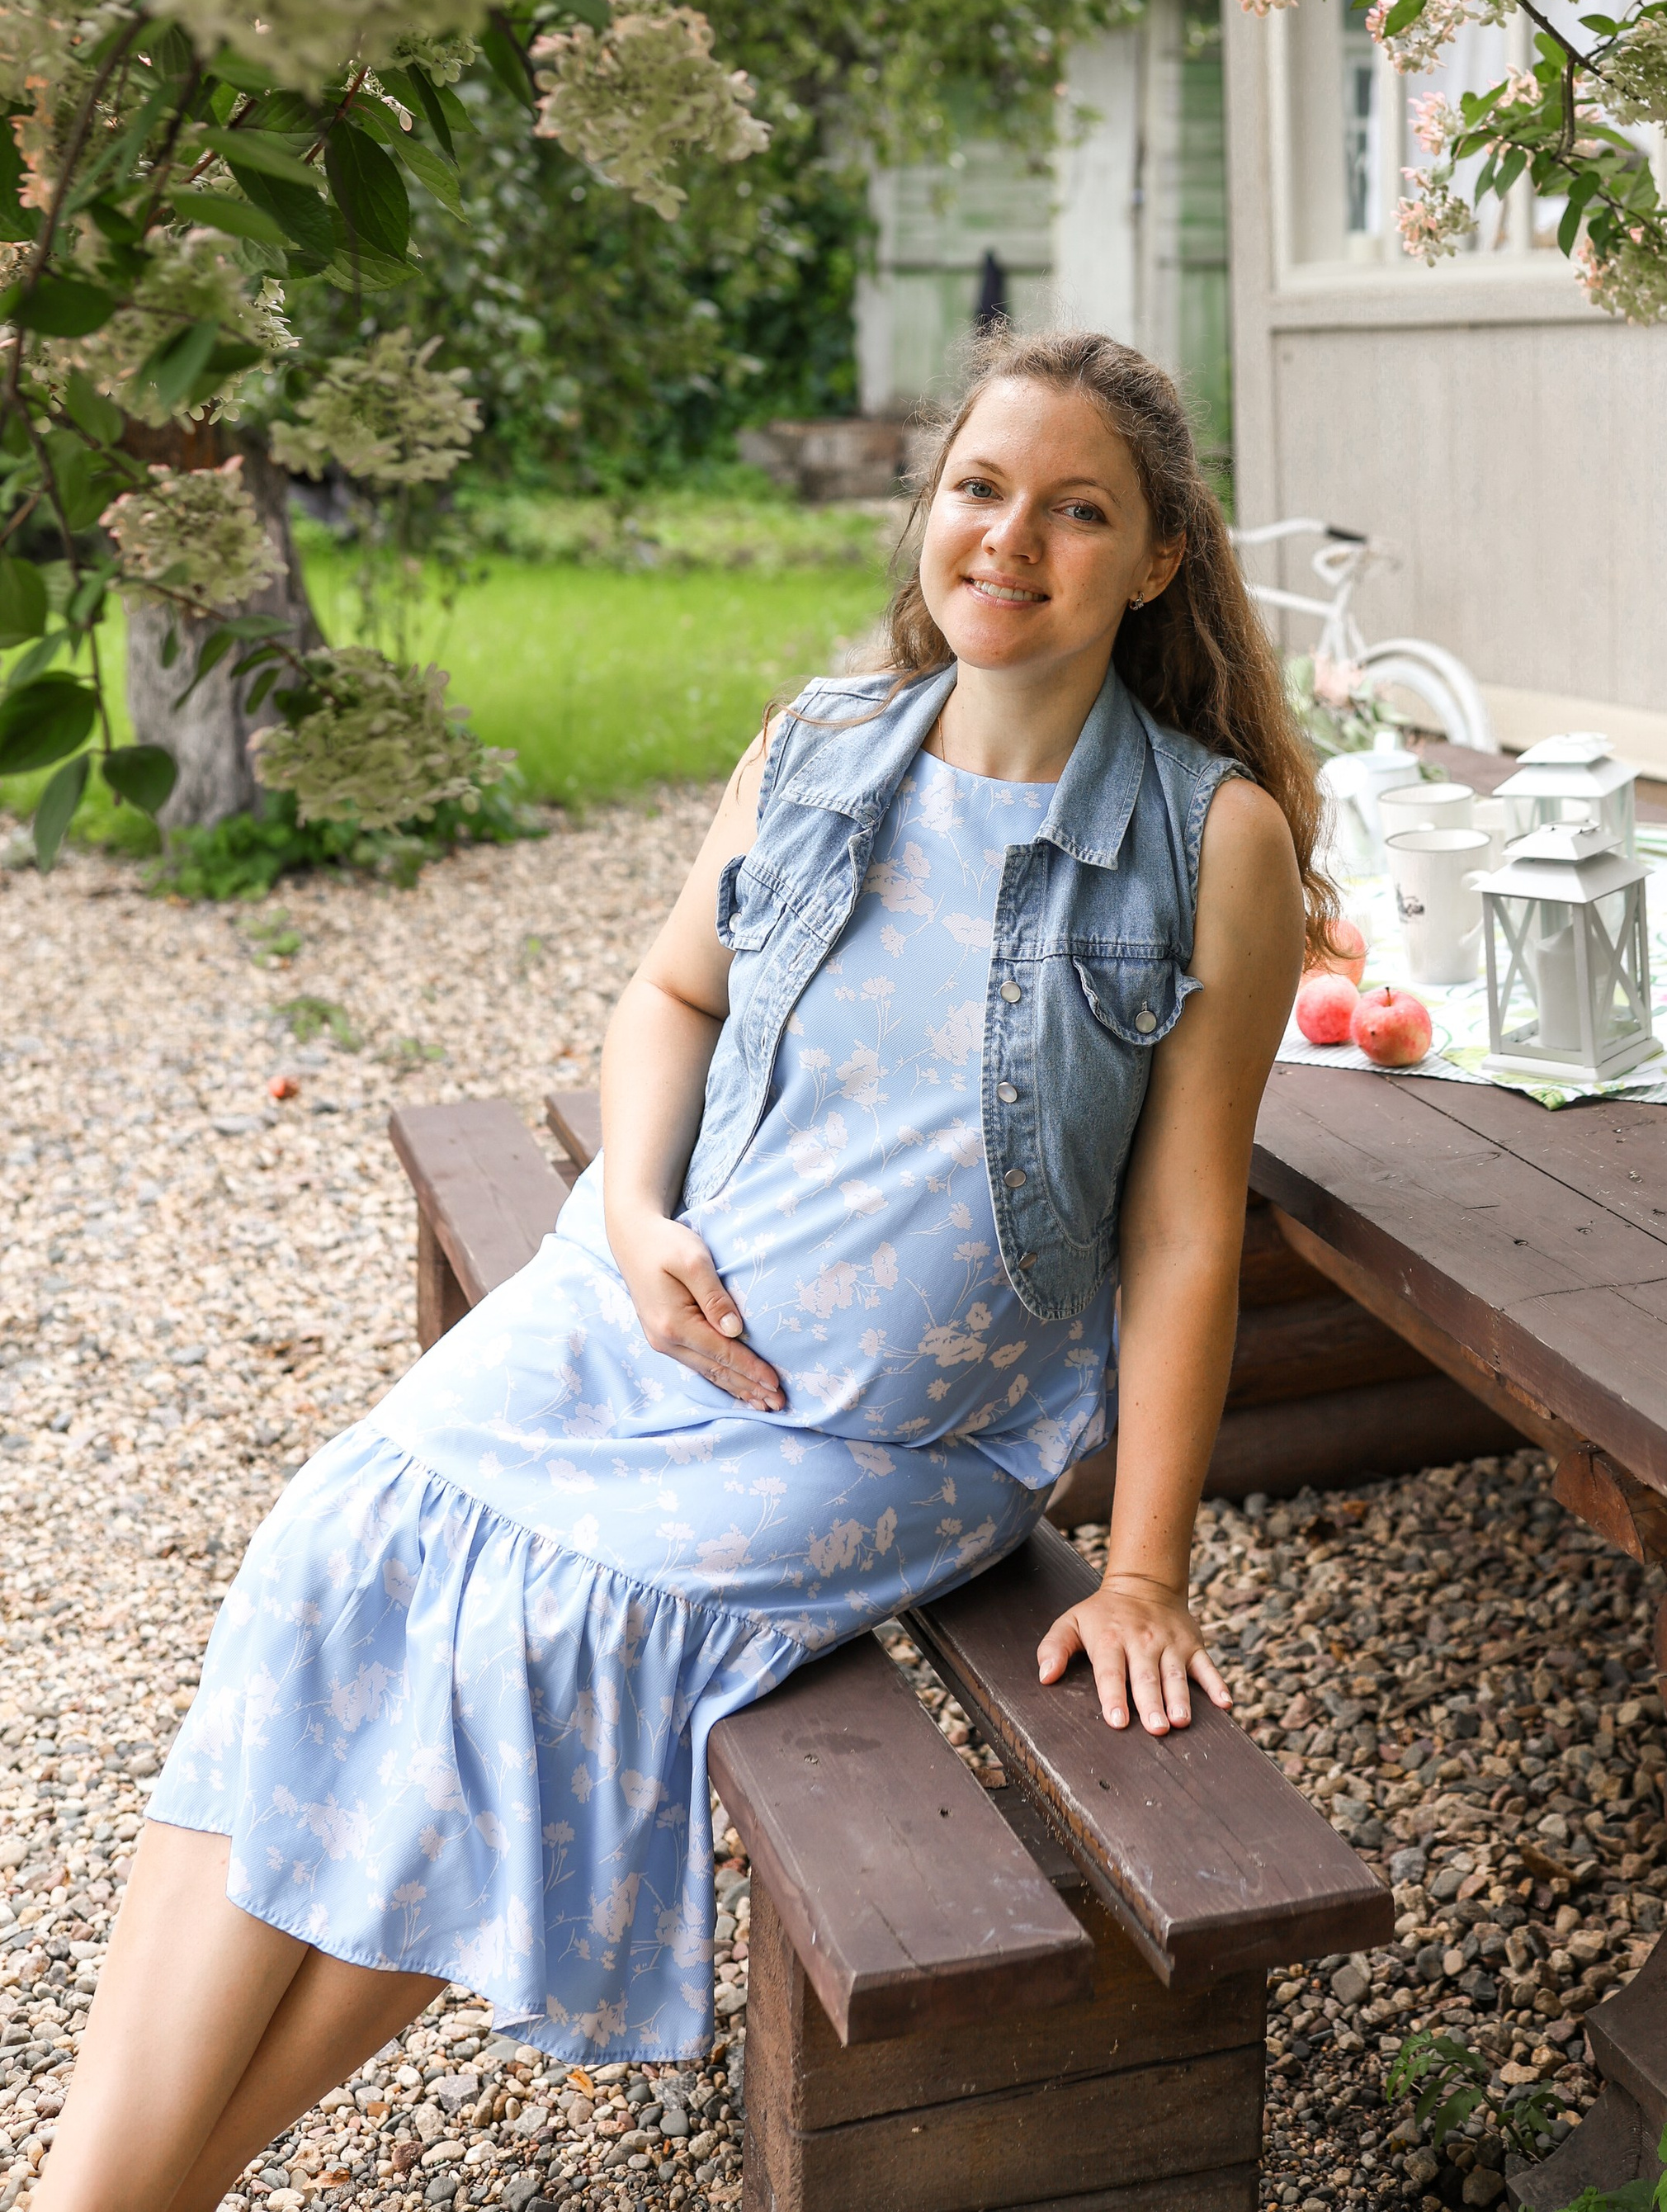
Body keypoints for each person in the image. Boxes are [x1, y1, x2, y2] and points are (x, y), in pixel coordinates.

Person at [40, 328, 1325, 2212]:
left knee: (549, 1655)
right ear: (929, 508)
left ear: (1154, 561)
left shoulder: (1210, 840)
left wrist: (1143, 1573)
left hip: (874, 1433)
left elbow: (1184, 1226)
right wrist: (638, 1220)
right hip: (635, 1310)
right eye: (979, 488)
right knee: (332, 1550)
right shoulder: (815, 750)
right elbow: (671, 992)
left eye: (1075, 511)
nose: (1009, 538)